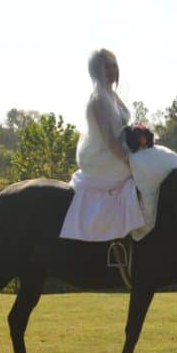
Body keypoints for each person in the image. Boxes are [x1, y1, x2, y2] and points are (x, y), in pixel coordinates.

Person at [60, 49, 146, 241]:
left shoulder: (112, 95)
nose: (112, 70)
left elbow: (124, 129)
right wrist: (129, 161)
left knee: (160, 161)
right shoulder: (98, 100)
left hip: (118, 149)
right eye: (107, 66)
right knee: (144, 172)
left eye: (114, 65)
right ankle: (134, 229)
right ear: (96, 70)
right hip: (104, 155)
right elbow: (110, 141)